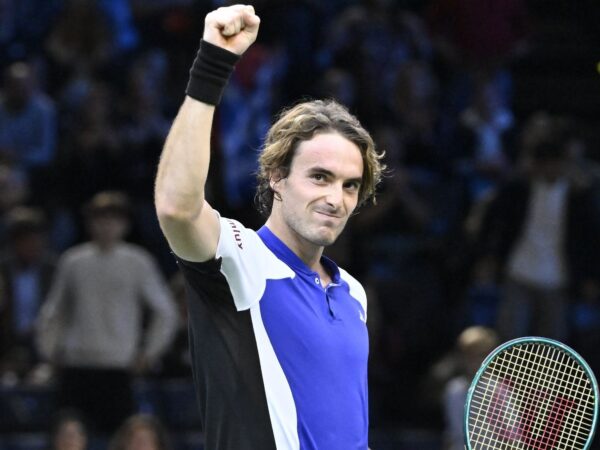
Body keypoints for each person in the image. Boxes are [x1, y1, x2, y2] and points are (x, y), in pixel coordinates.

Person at [154, 5, 384, 450]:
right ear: (277, 176)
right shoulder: (240, 261)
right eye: (320, 177)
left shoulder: (353, 293)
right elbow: (176, 208)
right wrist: (212, 64)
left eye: (350, 185)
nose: (336, 198)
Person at [36, 191, 178, 435]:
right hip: (76, 366)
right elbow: (52, 313)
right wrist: (50, 353)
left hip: (118, 369)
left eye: (113, 219)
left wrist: (148, 353)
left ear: (125, 224)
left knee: (117, 439)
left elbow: (166, 312)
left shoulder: (138, 262)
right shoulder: (73, 261)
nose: (106, 225)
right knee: (69, 438)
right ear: (89, 222)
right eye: (100, 219)